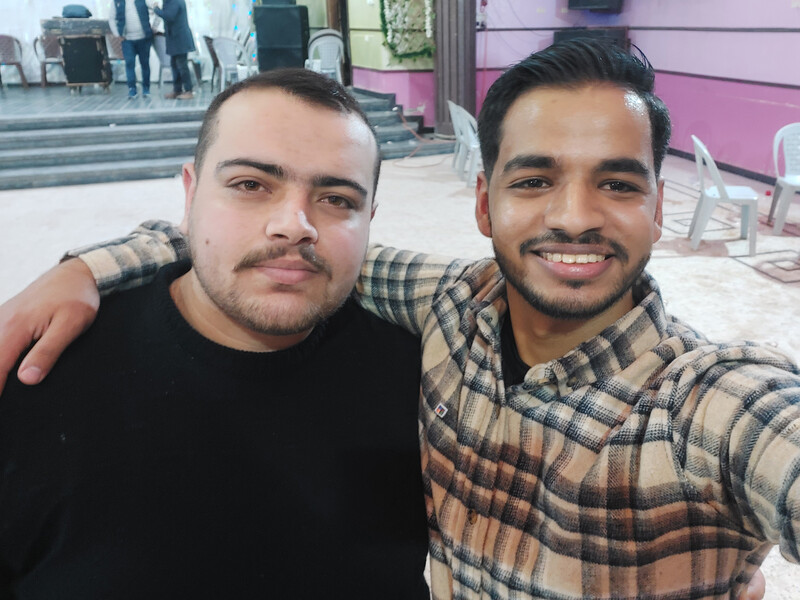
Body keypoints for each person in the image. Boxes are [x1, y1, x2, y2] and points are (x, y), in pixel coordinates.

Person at [0, 40, 787, 599]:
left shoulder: (710, 403)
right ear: (484, 204)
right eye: (535, 179)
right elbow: (249, 247)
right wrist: (86, 267)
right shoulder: (450, 307)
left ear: (659, 205)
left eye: (618, 184)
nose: (574, 217)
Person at [0, 69, 430, 598]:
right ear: (190, 194)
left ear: (370, 218)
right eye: (250, 185)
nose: (294, 224)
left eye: (337, 198)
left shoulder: (428, 384)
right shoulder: (36, 371)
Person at [109, 0, 154, 99]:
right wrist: (117, 34)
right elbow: (111, 19)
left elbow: (156, 8)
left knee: (145, 64)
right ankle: (132, 89)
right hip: (127, 40)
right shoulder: (116, 2)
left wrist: (154, 27)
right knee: (129, 64)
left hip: (144, 38)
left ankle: (146, 89)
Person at [153, 0, 195, 100]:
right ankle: (177, 90)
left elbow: (169, 16)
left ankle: (189, 91)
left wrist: (156, 9)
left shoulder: (175, 1)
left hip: (180, 38)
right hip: (173, 39)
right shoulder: (168, 2)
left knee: (182, 66)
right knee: (174, 65)